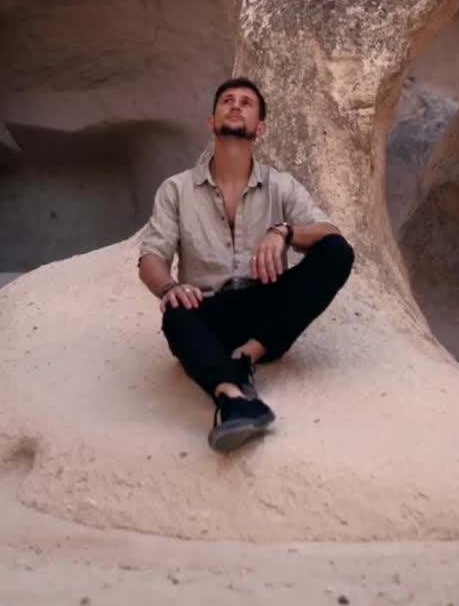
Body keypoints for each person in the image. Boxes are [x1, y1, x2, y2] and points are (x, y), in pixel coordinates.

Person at [135, 77, 355, 453]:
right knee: (175, 312)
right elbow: (151, 257)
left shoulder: (280, 185)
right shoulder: (177, 189)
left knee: (337, 252)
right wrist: (171, 288)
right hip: (209, 314)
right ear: (211, 121)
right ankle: (234, 397)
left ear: (260, 128)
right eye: (227, 100)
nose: (235, 105)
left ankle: (246, 356)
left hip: (269, 313)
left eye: (246, 102)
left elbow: (329, 232)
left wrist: (284, 232)